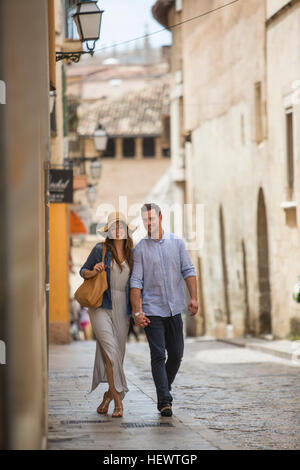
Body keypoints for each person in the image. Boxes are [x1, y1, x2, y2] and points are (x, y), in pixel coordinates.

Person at [130, 203, 198, 417]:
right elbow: (135, 282)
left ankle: (163, 390)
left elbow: (188, 270)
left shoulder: (177, 243)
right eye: (145, 220)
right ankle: (165, 400)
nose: (148, 223)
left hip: (174, 309)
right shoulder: (140, 249)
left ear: (160, 218)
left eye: (151, 219)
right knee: (158, 355)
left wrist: (194, 297)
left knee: (177, 354)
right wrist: (137, 312)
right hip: (152, 311)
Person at [79, 211, 136, 418]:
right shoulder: (100, 249)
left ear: (127, 231)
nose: (118, 230)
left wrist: (139, 309)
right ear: (109, 231)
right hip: (101, 305)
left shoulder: (133, 254)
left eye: (121, 226)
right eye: (114, 227)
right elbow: (82, 271)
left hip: (123, 309)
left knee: (117, 356)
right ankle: (119, 402)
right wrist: (94, 270)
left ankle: (108, 394)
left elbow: (138, 283)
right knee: (111, 353)